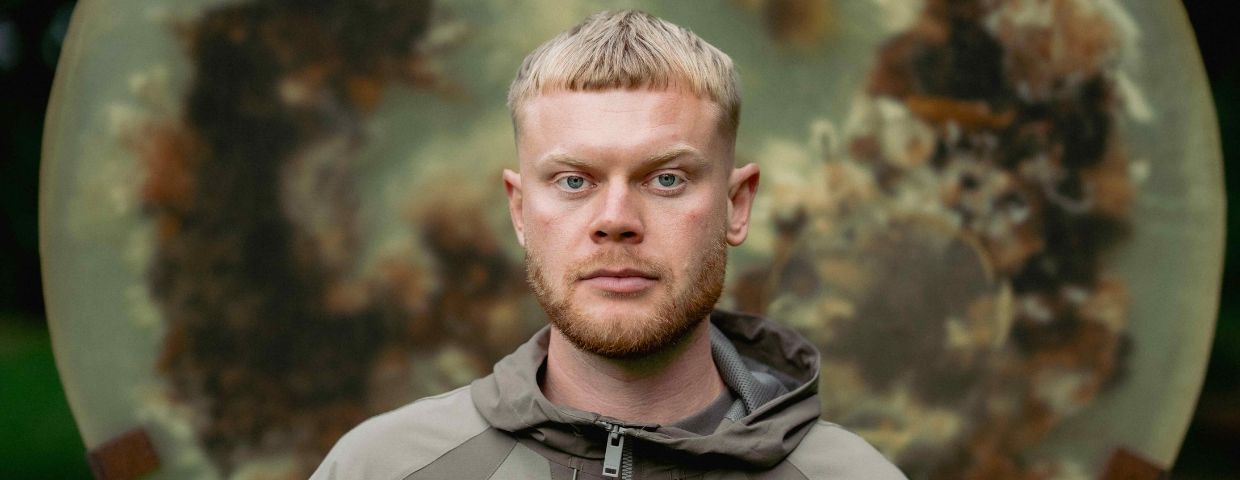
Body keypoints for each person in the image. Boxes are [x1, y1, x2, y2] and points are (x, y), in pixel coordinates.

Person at [312, 9, 905, 479]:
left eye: (666, 179)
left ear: (737, 205)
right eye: (574, 181)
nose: (616, 220)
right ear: (520, 211)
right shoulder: (380, 469)